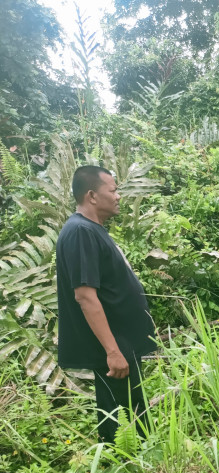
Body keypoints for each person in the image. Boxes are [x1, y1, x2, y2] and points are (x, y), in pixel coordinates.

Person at [56, 166, 156, 443]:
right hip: (112, 342)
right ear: (92, 195)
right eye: (112, 190)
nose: (118, 196)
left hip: (120, 340)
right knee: (120, 415)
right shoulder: (80, 232)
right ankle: (124, 470)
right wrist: (112, 350)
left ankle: (144, 464)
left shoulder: (90, 230)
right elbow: (85, 296)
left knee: (132, 407)